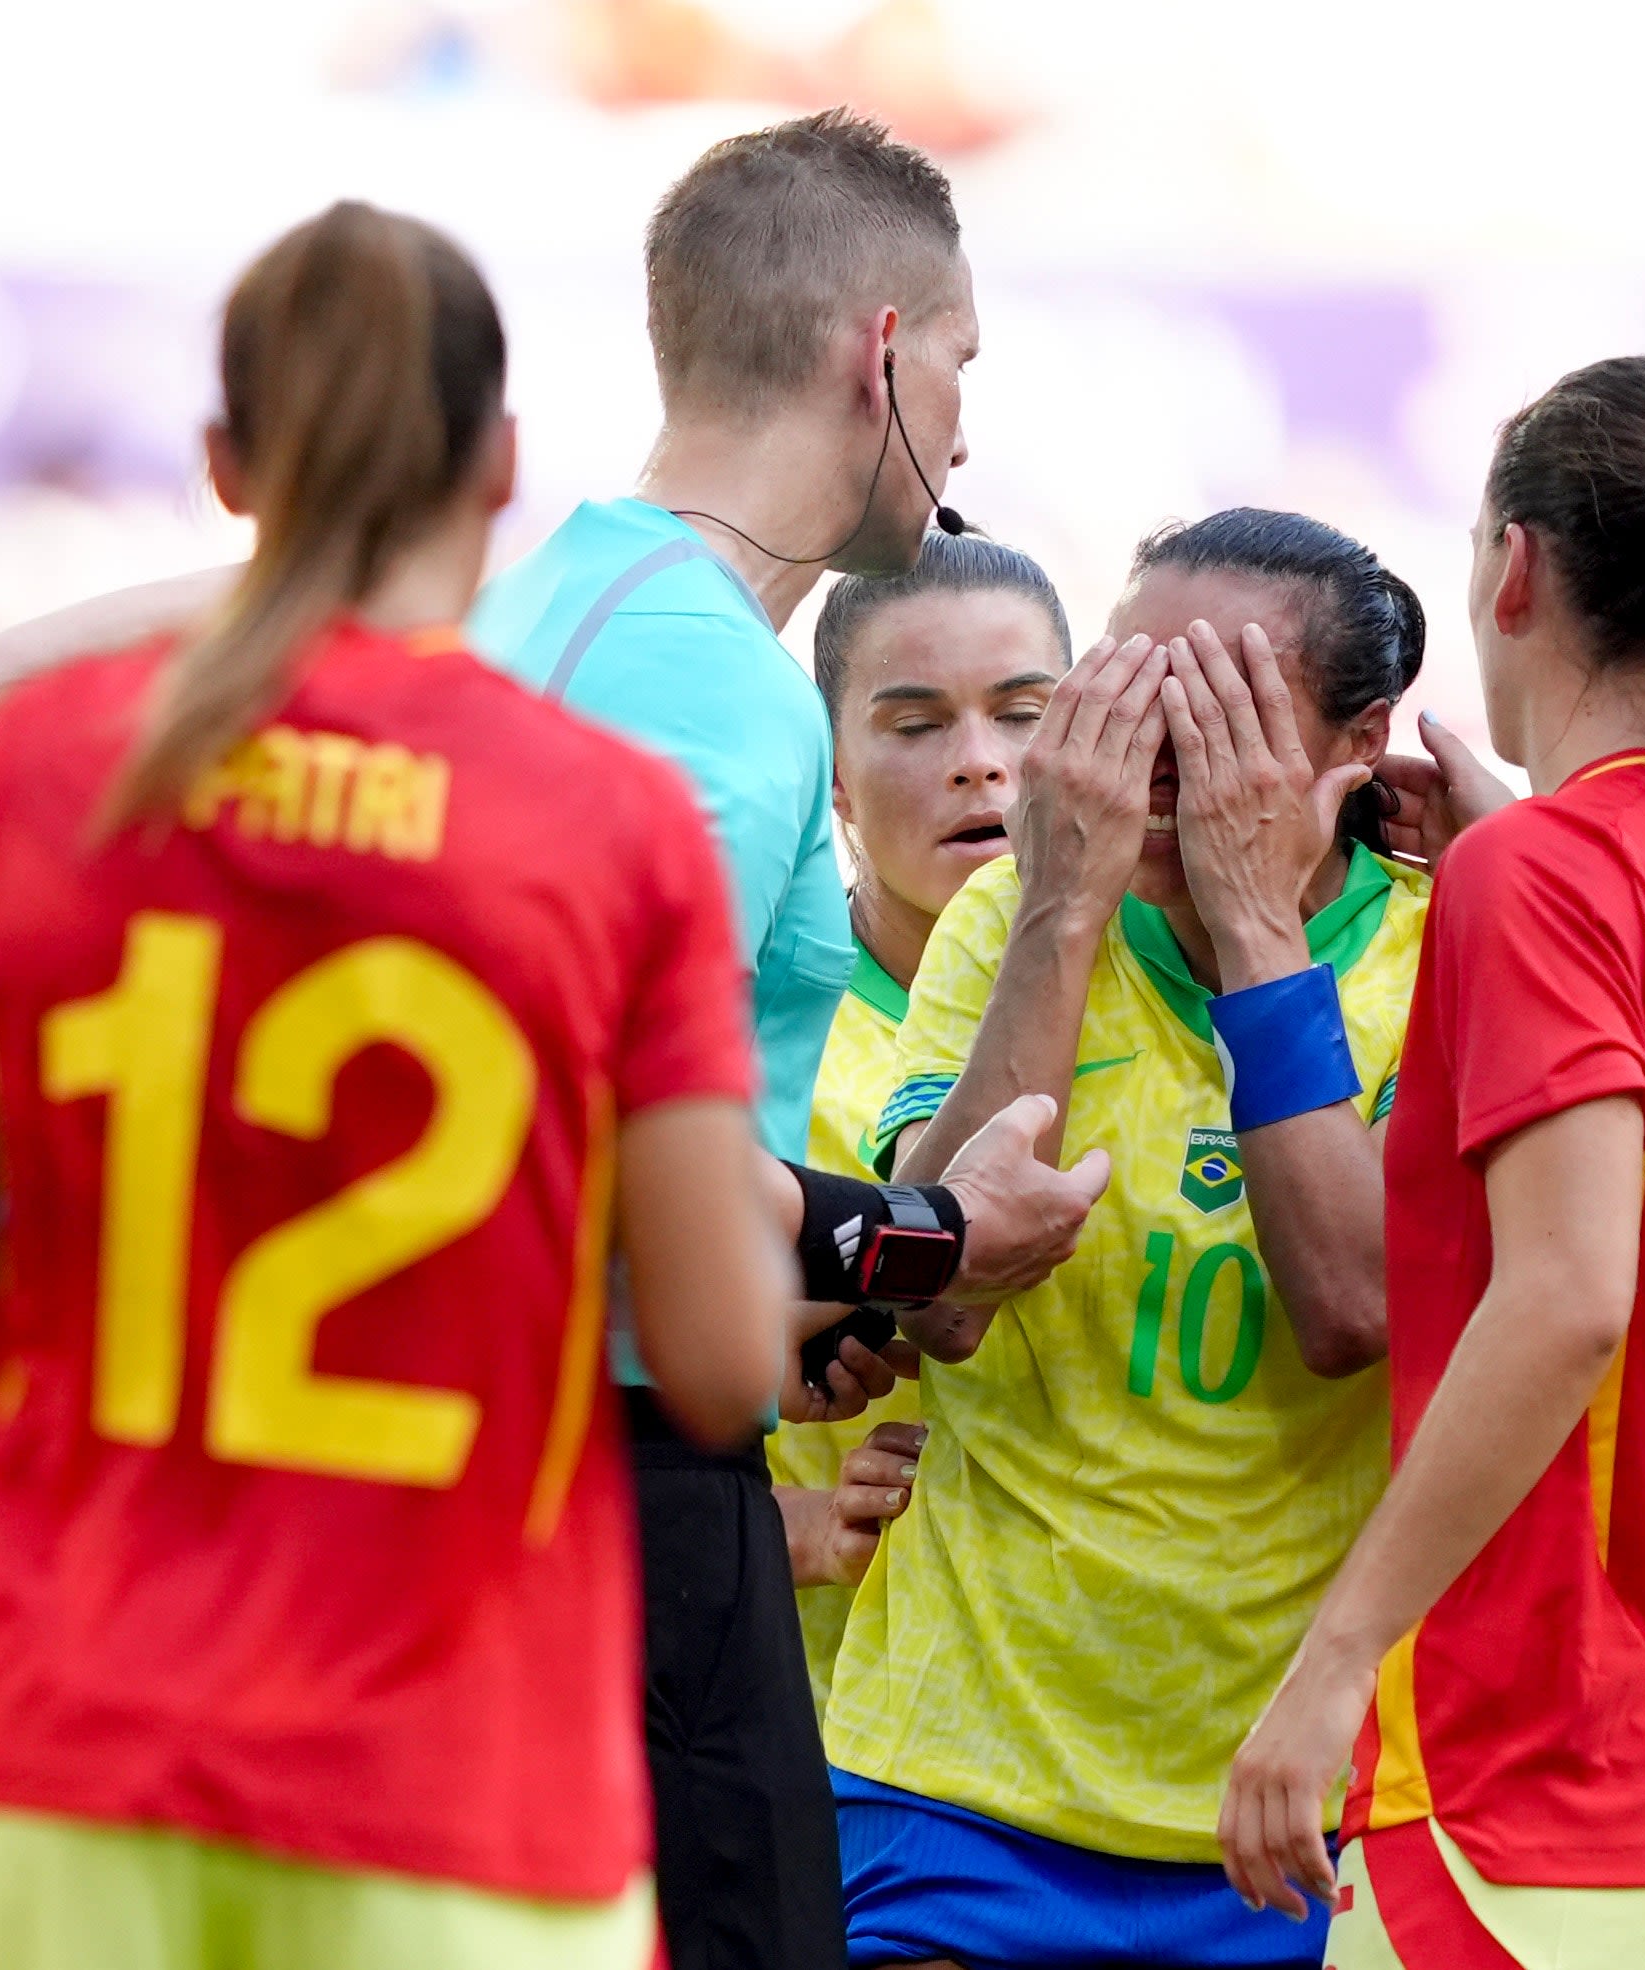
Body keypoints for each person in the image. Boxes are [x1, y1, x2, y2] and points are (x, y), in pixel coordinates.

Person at [0, 202, 795, 1970]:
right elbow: (724, 1363)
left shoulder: (45, 773)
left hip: (50, 1750)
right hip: (454, 1789)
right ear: (501, 467)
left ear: (220, 465)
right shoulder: (610, 820)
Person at [1222, 354, 1645, 1968]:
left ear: (1515, 567)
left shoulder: (1544, 875)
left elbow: (1568, 1302)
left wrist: (1335, 1662)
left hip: (1555, 1766)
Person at [459, 110, 977, 1970]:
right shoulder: (705, 673)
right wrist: (929, 1244)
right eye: (966, 368)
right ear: (882, 356)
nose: (973, 435)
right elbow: (583, 1097)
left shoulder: (562, 600)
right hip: (608, 1480)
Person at [833, 510, 1428, 1970]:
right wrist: (1059, 907)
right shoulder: (1004, 917)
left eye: (1218, 718)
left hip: (1298, 1800)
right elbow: (941, 1298)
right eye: (1124, 699)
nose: (1147, 763)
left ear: (1360, 741)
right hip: (964, 1770)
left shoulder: (1444, 946)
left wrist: (1254, 934)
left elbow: (1353, 1308)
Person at [773, 533, 1073, 1707]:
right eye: (916, 724)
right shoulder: (753, 1020)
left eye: (1022, 712)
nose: (982, 765)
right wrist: (782, 1523)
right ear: (832, 778)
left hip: (1103, 1731)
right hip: (816, 1719)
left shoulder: (1175, 993)